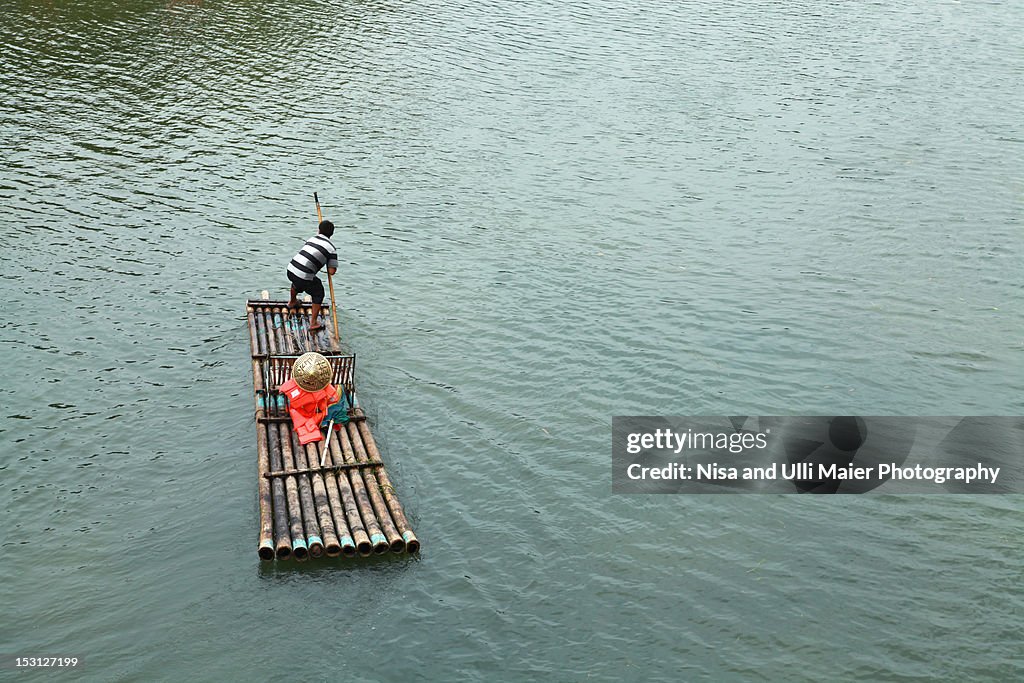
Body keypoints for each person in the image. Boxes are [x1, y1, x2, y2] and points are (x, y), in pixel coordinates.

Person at [287, 220, 338, 332]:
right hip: (303, 275)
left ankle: (292, 302)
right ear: (332, 234)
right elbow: (331, 271)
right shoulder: (331, 248)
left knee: (299, 279)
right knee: (319, 292)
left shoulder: (312, 239)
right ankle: (313, 323)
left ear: (318, 230)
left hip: (291, 269)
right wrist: (328, 261)